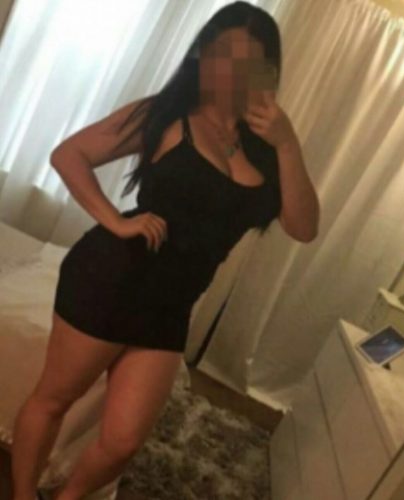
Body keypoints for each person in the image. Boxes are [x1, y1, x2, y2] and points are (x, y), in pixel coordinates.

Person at [11, 1, 318, 498]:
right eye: (223, 53)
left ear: (268, 70)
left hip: (171, 308)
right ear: (203, 55)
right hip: (109, 282)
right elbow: (69, 154)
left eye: (250, 60)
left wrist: (288, 143)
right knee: (53, 400)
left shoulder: (267, 148)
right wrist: (115, 219)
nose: (232, 70)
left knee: (123, 443)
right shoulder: (167, 113)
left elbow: (304, 227)